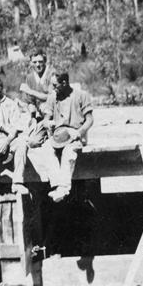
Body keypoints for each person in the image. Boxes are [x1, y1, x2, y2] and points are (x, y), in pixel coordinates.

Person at [28, 72, 93, 203]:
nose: (52, 88)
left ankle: (64, 187)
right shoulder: (53, 97)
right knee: (46, 149)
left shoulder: (81, 95)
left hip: (75, 135)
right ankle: (57, 184)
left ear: (64, 83)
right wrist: (47, 123)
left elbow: (90, 120)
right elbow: (47, 118)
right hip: (58, 136)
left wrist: (79, 132)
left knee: (69, 153)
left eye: (55, 85)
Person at [19, 49, 54, 120]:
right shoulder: (30, 77)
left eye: (40, 62)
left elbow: (51, 97)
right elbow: (29, 100)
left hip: (52, 110)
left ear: (45, 61)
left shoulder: (51, 74)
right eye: (34, 62)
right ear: (31, 63)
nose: (38, 65)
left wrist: (31, 92)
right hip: (38, 111)